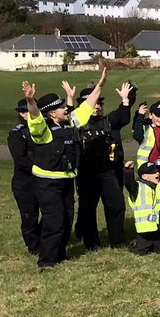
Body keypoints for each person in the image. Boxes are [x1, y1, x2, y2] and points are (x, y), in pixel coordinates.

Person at [21, 70, 107, 269]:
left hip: (66, 181)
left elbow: (87, 107)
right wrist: (30, 100)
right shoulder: (42, 130)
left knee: (66, 219)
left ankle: (59, 255)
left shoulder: (70, 123)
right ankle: (47, 261)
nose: (66, 109)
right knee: (54, 221)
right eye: (61, 107)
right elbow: (34, 116)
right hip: (47, 183)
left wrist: (100, 85)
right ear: (52, 113)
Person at [74, 79, 135, 250]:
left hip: (106, 171)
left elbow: (123, 117)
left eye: (100, 104)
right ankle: (91, 242)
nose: (98, 107)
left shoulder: (106, 121)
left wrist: (125, 99)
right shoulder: (77, 124)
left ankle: (117, 240)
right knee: (88, 208)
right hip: (86, 172)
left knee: (116, 204)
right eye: (94, 104)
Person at [8, 98, 41, 255]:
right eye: (28, 111)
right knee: (30, 216)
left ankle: (43, 238)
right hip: (25, 183)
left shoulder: (42, 129)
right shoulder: (17, 134)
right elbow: (21, 160)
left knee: (52, 213)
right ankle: (34, 246)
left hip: (42, 180)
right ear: (22, 113)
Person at [125, 161, 160, 255]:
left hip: (158, 229)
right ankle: (134, 244)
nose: (157, 174)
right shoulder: (138, 188)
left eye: (157, 171)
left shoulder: (159, 186)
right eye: (153, 172)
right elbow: (129, 183)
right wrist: (128, 171)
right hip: (144, 231)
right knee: (140, 251)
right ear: (144, 177)